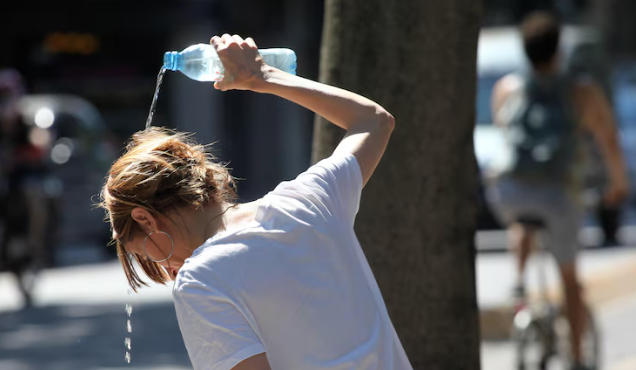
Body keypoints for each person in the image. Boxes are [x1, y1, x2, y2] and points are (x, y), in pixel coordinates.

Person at [101, 34, 411, 370]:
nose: (167, 271)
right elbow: (374, 121)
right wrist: (265, 77)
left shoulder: (201, 280)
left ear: (146, 219)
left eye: (148, 254)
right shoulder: (309, 199)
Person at [488, 12, 628, 370]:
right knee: (570, 281)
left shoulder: (506, 88)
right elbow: (609, 142)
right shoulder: (582, 92)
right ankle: (579, 357)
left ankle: (519, 284)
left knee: (521, 221)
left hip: (509, 192)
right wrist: (617, 184)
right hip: (559, 194)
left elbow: (506, 137)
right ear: (558, 50)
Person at [0, 69, 50, 292]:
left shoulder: (25, 121)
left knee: (33, 193)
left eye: (6, 95)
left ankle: (34, 243)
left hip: (24, 177)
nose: (3, 101)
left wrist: (33, 149)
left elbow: (40, 140)